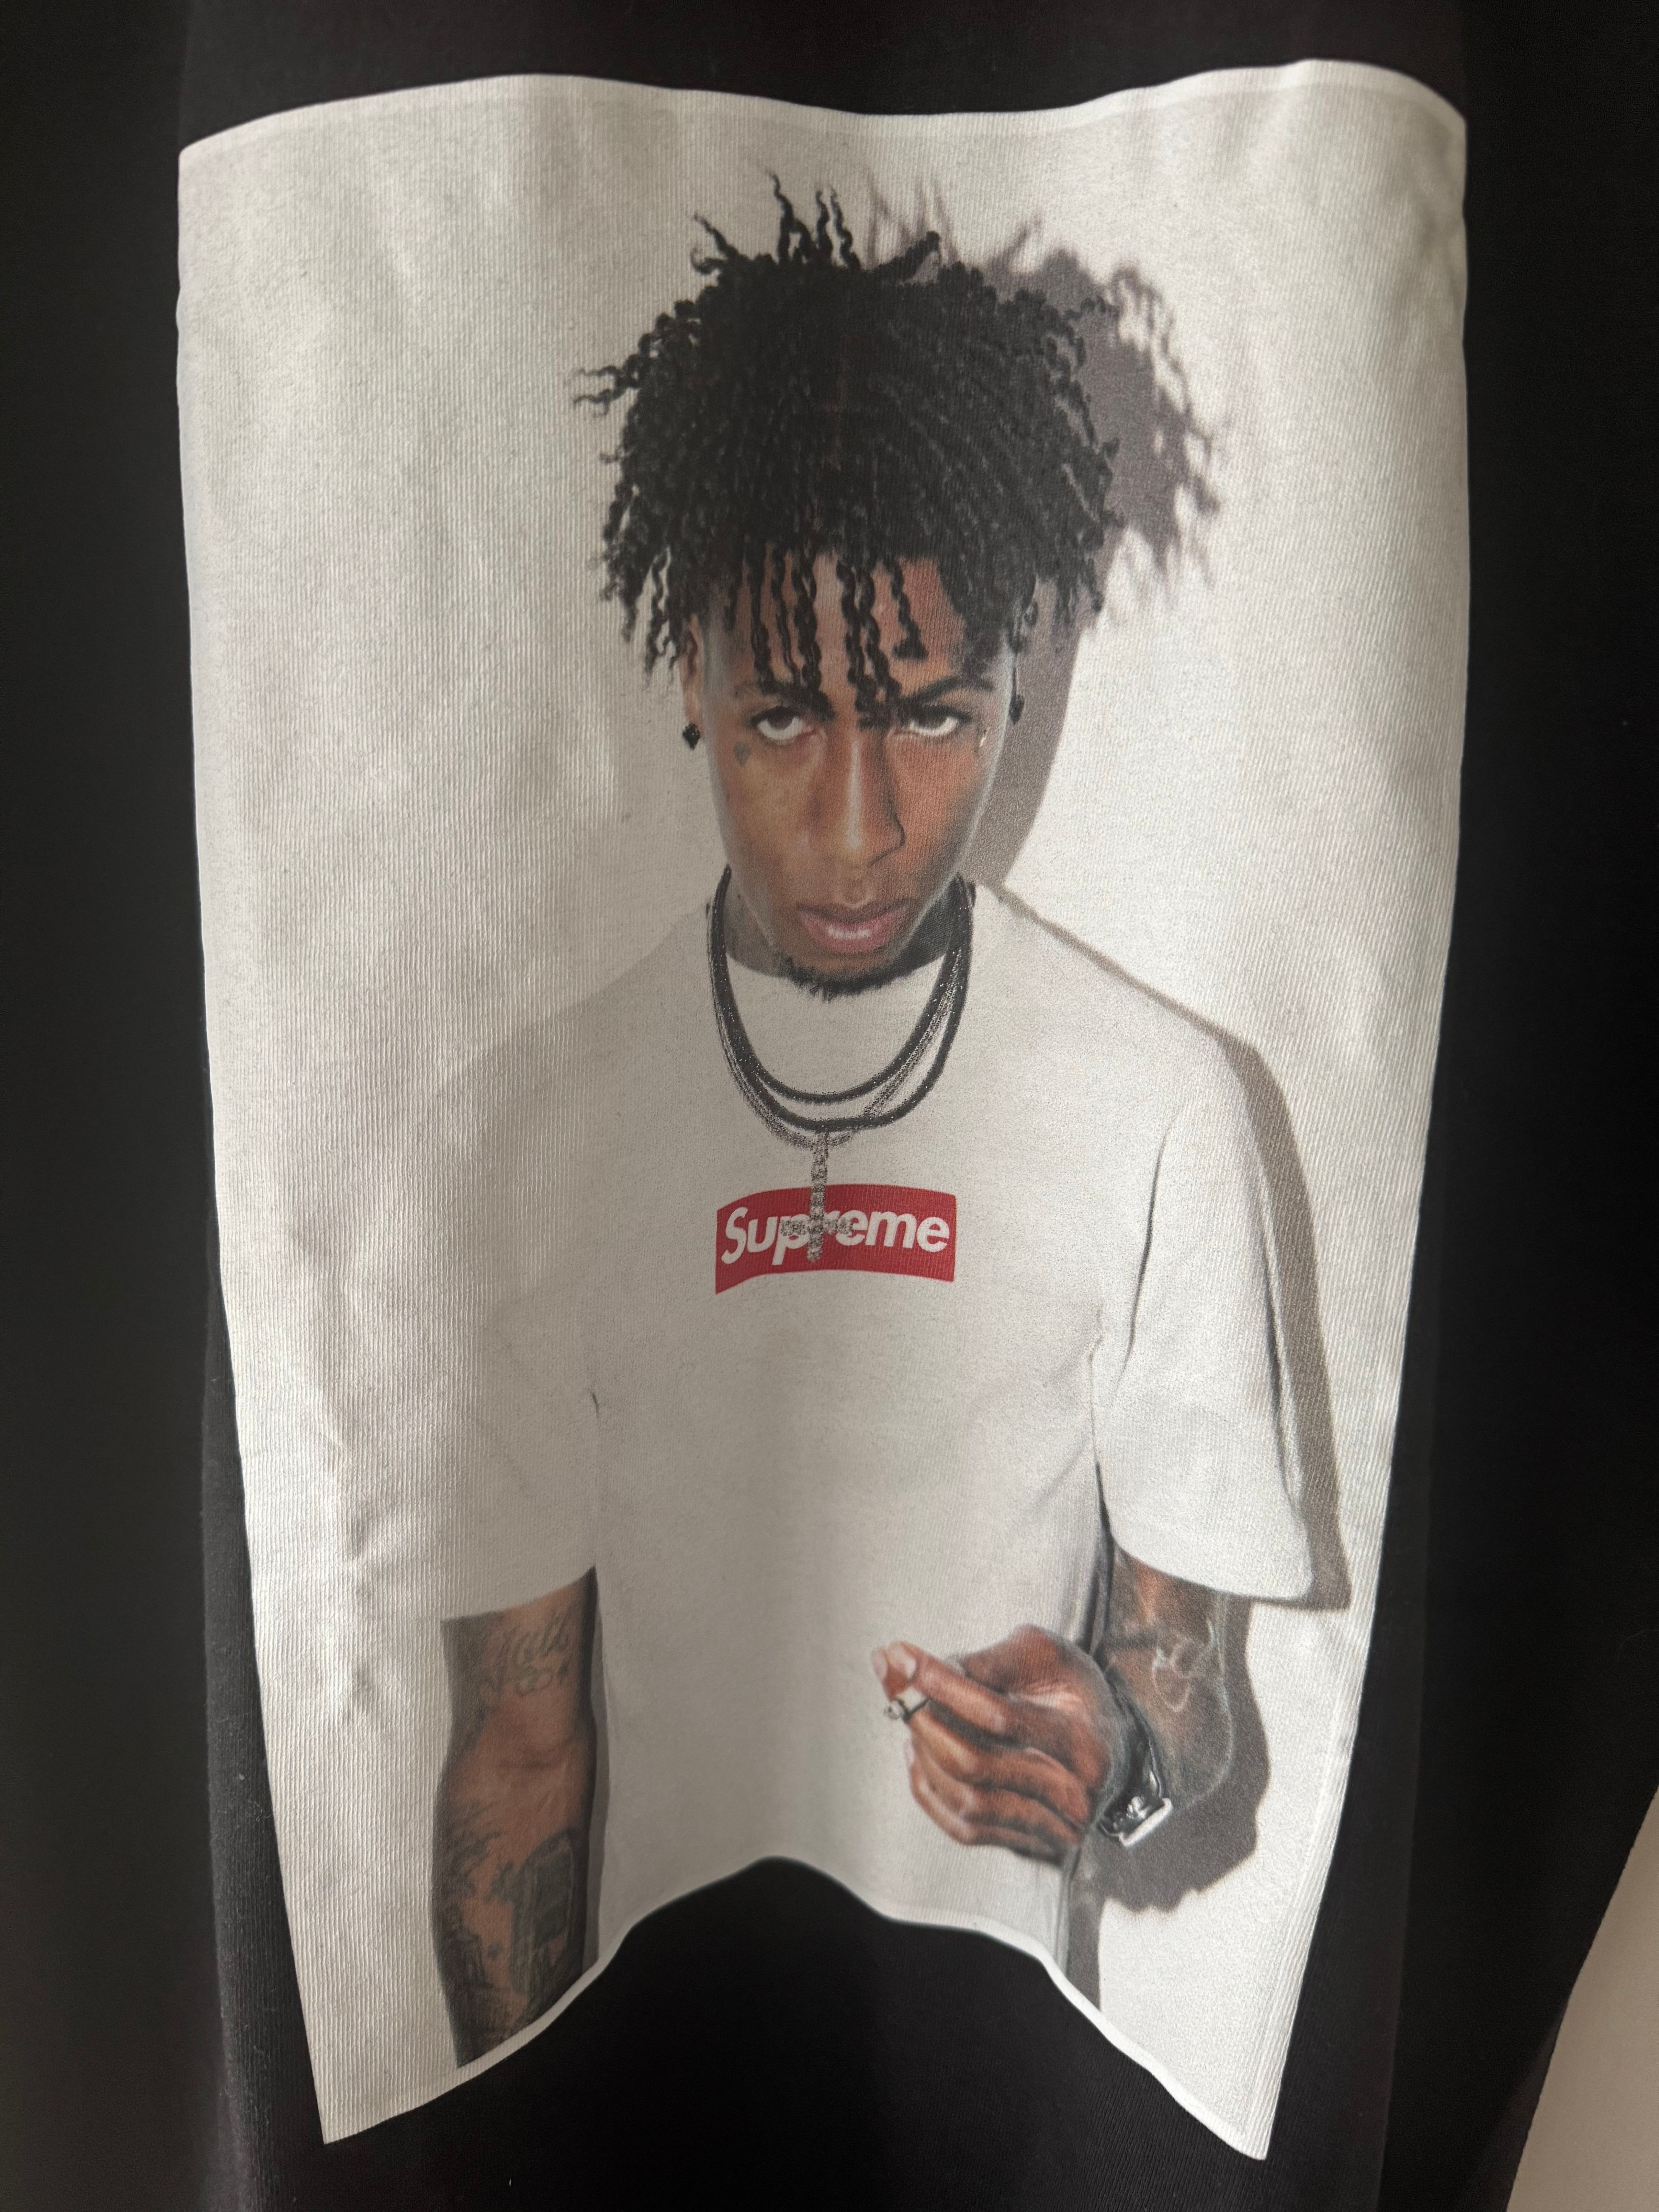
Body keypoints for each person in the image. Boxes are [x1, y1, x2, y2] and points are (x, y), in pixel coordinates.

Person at [430, 188, 1313, 2065]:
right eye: (782, 718)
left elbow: (1189, 1692)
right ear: (687, 673)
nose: (858, 829)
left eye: (927, 716)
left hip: (993, 2103)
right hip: (650, 2098)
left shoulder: (1162, 1111)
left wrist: (1117, 1740)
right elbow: (517, 1758)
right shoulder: (537, 1134)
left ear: (1017, 679)